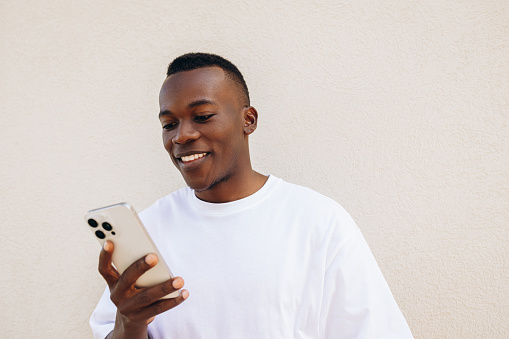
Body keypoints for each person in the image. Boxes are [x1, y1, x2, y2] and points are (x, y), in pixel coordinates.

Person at [90, 53, 414, 339]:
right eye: (169, 123)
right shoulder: (149, 231)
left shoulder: (318, 222)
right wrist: (130, 325)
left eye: (202, 116)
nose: (182, 135)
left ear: (249, 120)